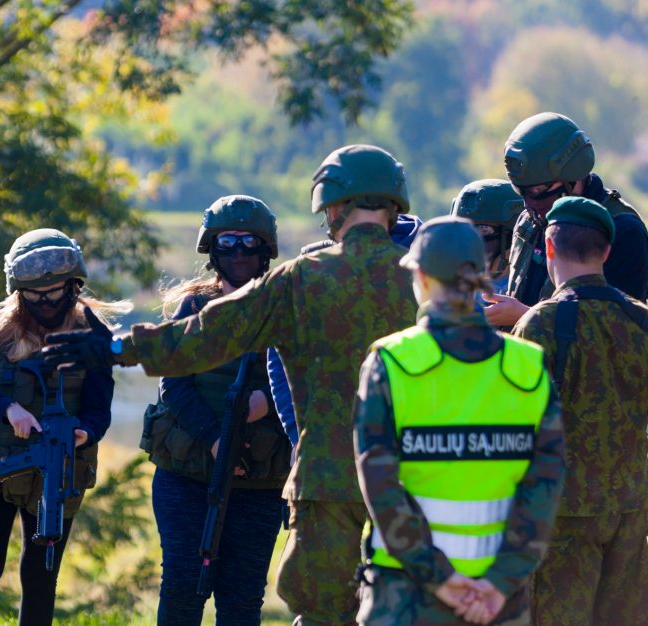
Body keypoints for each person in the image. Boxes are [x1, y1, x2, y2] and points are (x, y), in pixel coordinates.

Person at [44, 144, 419, 626]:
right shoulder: (426, 281)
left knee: (324, 612)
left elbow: (207, 334)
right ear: (395, 208)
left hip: (327, 481)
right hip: (414, 475)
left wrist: (116, 349)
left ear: (332, 208)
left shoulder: (302, 280)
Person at [352, 216, 566, 626]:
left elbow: (379, 484)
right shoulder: (528, 367)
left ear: (422, 276)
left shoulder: (392, 362)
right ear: (480, 277)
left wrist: (441, 580)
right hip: (497, 602)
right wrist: (499, 584)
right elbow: (545, 489)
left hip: (406, 596)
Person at [0, 229, 126, 626]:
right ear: (18, 290)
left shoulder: (93, 332)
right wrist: (8, 408)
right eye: (34, 294)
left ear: (73, 285)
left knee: (42, 574)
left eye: (55, 292)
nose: (45, 302)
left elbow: (100, 408)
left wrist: (86, 431)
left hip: (59, 461)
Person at [511, 197, 648, 626]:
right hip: (630, 506)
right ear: (607, 252)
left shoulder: (540, 323)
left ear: (550, 248)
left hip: (564, 514)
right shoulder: (643, 321)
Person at [142, 195, 292, 625]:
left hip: (259, 482)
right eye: (228, 242)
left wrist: (267, 403)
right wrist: (213, 440)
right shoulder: (192, 309)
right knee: (183, 589)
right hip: (187, 475)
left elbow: (309, 383)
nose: (239, 252)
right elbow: (175, 385)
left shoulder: (286, 310)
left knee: (242, 600)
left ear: (266, 251)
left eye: (249, 242)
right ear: (212, 250)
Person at [485, 112, 648, 328]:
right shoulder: (531, 220)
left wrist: (525, 317)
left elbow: (620, 334)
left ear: (573, 177)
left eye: (539, 190)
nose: (530, 203)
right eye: (521, 192)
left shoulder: (623, 232)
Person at [267, 214, 423, 447]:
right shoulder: (313, 269)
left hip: (412, 439)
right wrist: (299, 434)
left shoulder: (428, 266)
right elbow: (281, 355)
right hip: (333, 442)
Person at [449, 179, 523, 295]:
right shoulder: (450, 289)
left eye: (482, 230)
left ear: (511, 236)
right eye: (463, 230)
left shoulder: (535, 290)